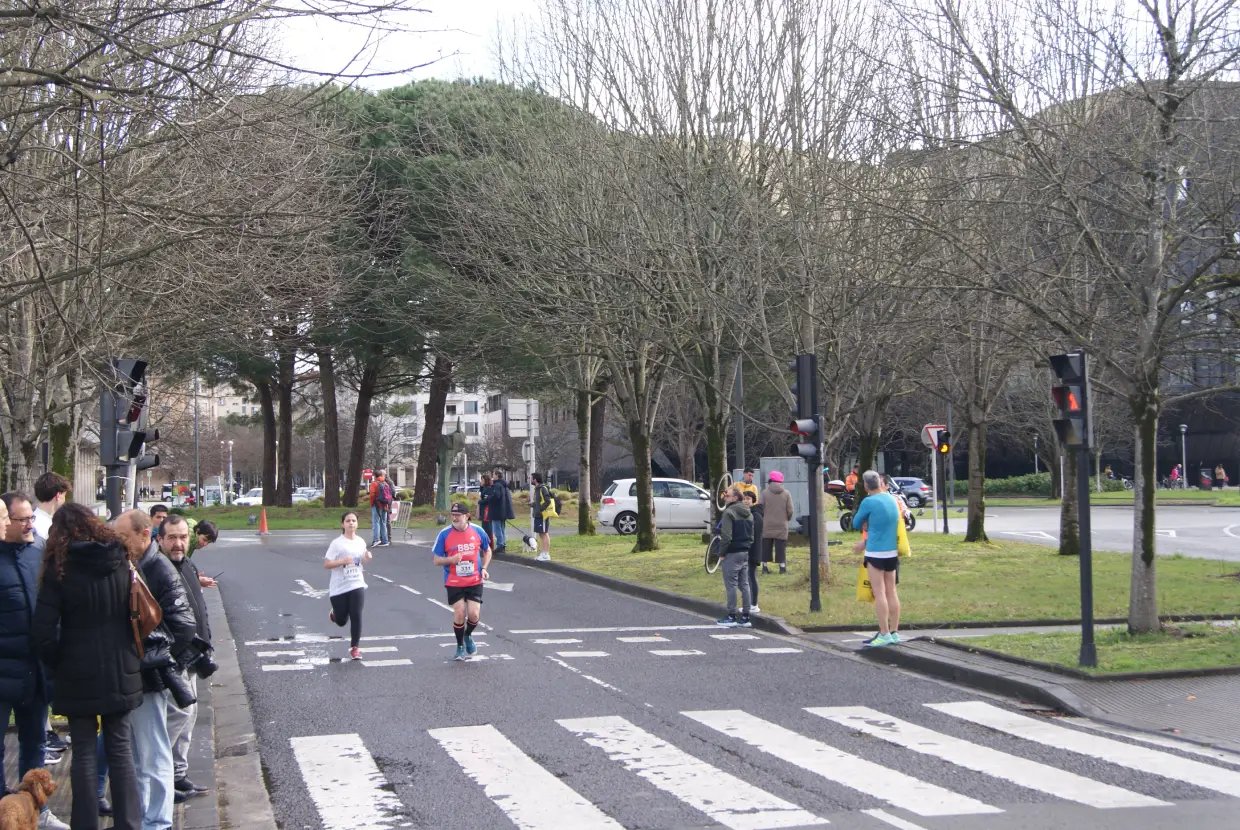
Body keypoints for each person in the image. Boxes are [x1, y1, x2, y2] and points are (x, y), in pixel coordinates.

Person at [32, 504, 142, 830]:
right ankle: (129, 824)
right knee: (120, 750)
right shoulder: (120, 558)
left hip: (76, 672)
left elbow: (42, 632)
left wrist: (59, 662)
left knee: (83, 753)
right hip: (121, 668)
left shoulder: (59, 569)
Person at [114, 509, 197, 830]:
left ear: (144, 535)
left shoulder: (156, 568)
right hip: (142, 672)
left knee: (153, 752)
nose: (119, 543)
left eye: (124, 537)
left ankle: (158, 822)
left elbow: (184, 625)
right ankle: (146, 817)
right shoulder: (139, 564)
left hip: (149, 674)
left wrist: (156, 657)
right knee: (142, 753)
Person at [0, 493, 68, 830]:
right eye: (22, 519)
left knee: (35, 741)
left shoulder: (40, 551)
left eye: (31, 517)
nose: (31, 524)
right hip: (4, 668)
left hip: (37, 667)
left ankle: (36, 812)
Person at [156, 517, 212, 802]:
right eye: (171, 538)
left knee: (190, 716)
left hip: (193, 653)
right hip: (174, 656)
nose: (178, 543)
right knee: (180, 713)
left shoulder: (187, 565)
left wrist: (206, 641)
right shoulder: (158, 569)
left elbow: (198, 607)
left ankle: (178, 773)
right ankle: (162, 773)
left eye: (182, 537)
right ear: (160, 539)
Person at [432, 502, 492, 661]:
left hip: (474, 579)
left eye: (458, 515)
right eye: (453, 515)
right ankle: (459, 646)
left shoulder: (478, 531)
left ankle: (467, 635)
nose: (455, 518)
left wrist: (484, 568)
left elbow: (487, 550)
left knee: (474, 614)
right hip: (454, 580)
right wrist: (451, 560)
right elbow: (436, 560)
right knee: (459, 612)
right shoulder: (444, 534)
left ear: (467, 516)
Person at [852, 471, 901, 648]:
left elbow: (855, 523)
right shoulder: (892, 499)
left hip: (875, 552)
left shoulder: (868, 501)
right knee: (892, 591)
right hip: (892, 552)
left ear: (866, 486)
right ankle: (894, 632)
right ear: (881, 483)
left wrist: (867, 523)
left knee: (879, 593)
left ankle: (884, 633)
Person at [324, 512, 372, 660]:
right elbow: (327, 564)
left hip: (356, 582)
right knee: (341, 621)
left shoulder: (361, 542)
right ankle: (335, 614)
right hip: (339, 586)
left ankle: (355, 648)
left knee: (356, 614)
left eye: (354, 520)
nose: (351, 523)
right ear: (343, 524)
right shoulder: (337, 543)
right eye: (348, 521)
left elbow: (361, 561)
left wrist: (366, 558)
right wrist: (342, 561)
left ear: (357, 524)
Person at [715, 486, 754, 628]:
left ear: (735, 498)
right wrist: (747, 546)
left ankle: (731, 615)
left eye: (728, 495)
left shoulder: (728, 512)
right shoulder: (749, 513)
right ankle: (746, 616)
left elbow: (726, 536)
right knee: (744, 584)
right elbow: (752, 535)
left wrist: (721, 553)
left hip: (732, 552)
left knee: (731, 584)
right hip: (744, 551)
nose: (725, 497)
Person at [758, 471, 794, 575]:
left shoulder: (764, 493)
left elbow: (760, 507)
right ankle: (782, 568)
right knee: (781, 546)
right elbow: (790, 510)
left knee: (766, 546)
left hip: (767, 524)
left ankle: (765, 568)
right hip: (782, 524)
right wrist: (787, 518)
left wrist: (764, 518)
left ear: (770, 480)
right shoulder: (786, 493)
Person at [31, 472, 70, 542]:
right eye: (64, 495)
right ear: (58, 495)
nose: (65, 500)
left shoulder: (32, 521)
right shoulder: (47, 527)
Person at [744, 491, 763, 614]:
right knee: (746, 578)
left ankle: (754, 604)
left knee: (751, 576)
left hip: (753, 550)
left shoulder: (756, 515)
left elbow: (754, 535)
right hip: (745, 550)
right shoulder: (746, 513)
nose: (745, 501)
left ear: (753, 500)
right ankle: (749, 604)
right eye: (744, 499)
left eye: (748, 499)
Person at [488, 473, 515, 554]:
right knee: (502, 528)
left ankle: (500, 545)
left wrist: (488, 497)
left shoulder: (497, 485)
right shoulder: (504, 485)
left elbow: (496, 496)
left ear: (497, 476)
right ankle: (503, 544)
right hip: (503, 510)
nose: (492, 477)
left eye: (494, 475)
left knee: (497, 529)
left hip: (496, 511)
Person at [531, 473, 553, 562]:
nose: (530, 480)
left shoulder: (542, 488)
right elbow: (539, 501)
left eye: (531, 478)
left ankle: (546, 554)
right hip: (538, 515)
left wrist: (540, 509)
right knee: (541, 533)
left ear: (535, 479)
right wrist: (533, 505)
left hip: (542, 515)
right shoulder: (537, 489)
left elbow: (547, 501)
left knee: (544, 533)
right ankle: (543, 553)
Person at [368, 470, 393, 547]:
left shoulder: (374, 483)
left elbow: (372, 495)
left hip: (377, 505)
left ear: (375, 476)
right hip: (385, 505)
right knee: (383, 523)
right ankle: (385, 540)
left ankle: (376, 540)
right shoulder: (385, 483)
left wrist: (372, 503)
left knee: (376, 522)